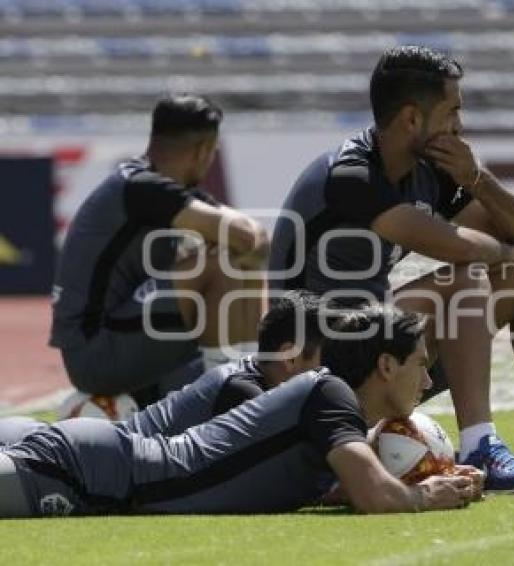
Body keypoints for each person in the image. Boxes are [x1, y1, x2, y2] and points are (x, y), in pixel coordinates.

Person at [269, 45, 514, 491]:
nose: (459, 125)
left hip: (375, 348)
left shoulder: (428, 171)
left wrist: (476, 177)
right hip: (317, 363)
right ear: (412, 119)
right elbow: (455, 247)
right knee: (466, 277)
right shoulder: (351, 175)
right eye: (452, 111)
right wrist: (498, 253)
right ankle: (480, 446)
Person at [0, 305, 483, 517]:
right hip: (90, 472)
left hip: (101, 464)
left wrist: (433, 473)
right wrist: (426, 495)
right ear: (384, 364)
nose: (426, 381)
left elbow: (355, 489)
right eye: (421, 365)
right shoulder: (331, 394)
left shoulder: (330, 402)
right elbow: (375, 498)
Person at [49, 94, 269, 407]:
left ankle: (247, 383)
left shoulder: (169, 191)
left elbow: (253, 243)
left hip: (125, 335)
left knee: (237, 260)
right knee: (223, 261)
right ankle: (227, 400)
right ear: (203, 151)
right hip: (96, 352)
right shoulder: (140, 186)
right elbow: (249, 236)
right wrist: (240, 245)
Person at [0, 290, 327, 445]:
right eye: (325, 361)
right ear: (291, 356)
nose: (330, 374)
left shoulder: (249, 380)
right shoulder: (244, 392)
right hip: (73, 450)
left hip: (78, 445)